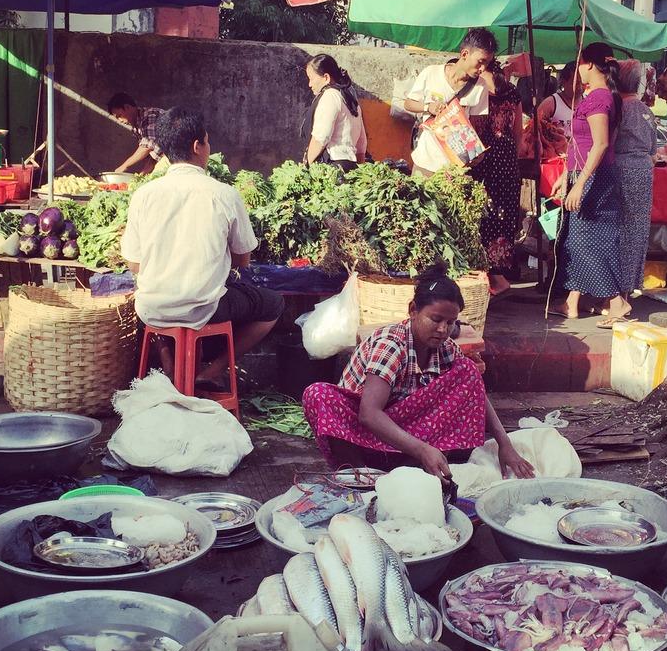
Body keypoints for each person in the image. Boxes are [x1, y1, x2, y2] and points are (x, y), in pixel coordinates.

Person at [301, 266, 535, 481]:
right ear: (413, 310)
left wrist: (505, 444)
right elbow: (369, 415)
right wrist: (422, 449)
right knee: (318, 394)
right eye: (436, 319)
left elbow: (476, 390)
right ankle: (359, 475)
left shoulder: (445, 347)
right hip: (363, 435)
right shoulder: (391, 345)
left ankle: (414, 464)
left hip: (401, 434)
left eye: (450, 322)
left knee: (467, 371)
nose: (443, 329)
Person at [121, 107, 283, 388]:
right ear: (197, 146)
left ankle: (171, 368)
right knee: (273, 304)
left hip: (151, 309)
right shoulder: (224, 194)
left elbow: (134, 264)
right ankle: (211, 372)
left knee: (154, 296)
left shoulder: (143, 195)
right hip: (206, 309)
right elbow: (243, 260)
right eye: (207, 142)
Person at [550, 43, 630, 326]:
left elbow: (601, 144)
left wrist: (580, 183)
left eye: (580, 64)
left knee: (586, 243)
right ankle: (571, 303)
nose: (578, 70)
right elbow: (580, 143)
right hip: (584, 173)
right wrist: (566, 175)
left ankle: (617, 302)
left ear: (590, 65)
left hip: (594, 177)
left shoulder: (599, 98)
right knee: (578, 240)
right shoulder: (597, 96)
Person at [402, 27, 496, 176]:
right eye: (480, 62)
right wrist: (428, 107)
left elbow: (476, 127)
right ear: (464, 54)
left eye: (487, 63)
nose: (483, 68)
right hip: (425, 162)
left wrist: (476, 153)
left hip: (455, 169)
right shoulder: (431, 73)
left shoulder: (480, 87)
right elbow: (408, 103)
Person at [472, 66, 523, 296]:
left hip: (483, 160)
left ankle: (493, 277)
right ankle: (497, 274)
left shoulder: (477, 90)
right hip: (507, 160)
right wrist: (513, 158)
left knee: (484, 216)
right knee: (503, 217)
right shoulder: (513, 92)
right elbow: (518, 133)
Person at [613, 60, 658, 298]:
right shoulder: (646, 111)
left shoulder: (618, 109)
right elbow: (653, 150)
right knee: (637, 229)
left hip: (621, 169)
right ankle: (628, 287)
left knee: (618, 228)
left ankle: (616, 291)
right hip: (643, 171)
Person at [303, 54, 366, 171]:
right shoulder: (350, 99)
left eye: (311, 78)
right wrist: (359, 171)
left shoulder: (330, 96)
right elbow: (361, 144)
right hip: (351, 166)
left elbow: (321, 137)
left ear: (326, 77)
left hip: (332, 166)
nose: (309, 84)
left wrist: (307, 165)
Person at [110, 92, 167, 174]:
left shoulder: (150, 115)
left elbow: (148, 146)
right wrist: (143, 173)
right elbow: (155, 153)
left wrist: (124, 166)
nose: (120, 120)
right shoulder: (136, 127)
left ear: (127, 107)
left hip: (180, 157)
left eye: (119, 116)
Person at [535, 63, 579, 159]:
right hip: (556, 160)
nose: (579, 87)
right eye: (575, 83)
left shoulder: (588, 103)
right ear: (563, 81)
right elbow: (534, 129)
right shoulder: (551, 103)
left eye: (582, 83)